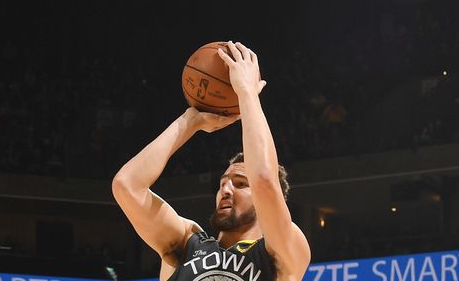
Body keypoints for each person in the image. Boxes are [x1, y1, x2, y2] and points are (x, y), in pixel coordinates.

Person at [112, 42, 310, 281]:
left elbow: (264, 181)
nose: (225, 189)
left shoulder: (283, 253)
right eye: (223, 182)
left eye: (240, 183)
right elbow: (127, 185)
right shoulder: (186, 244)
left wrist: (246, 93)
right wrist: (190, 121)